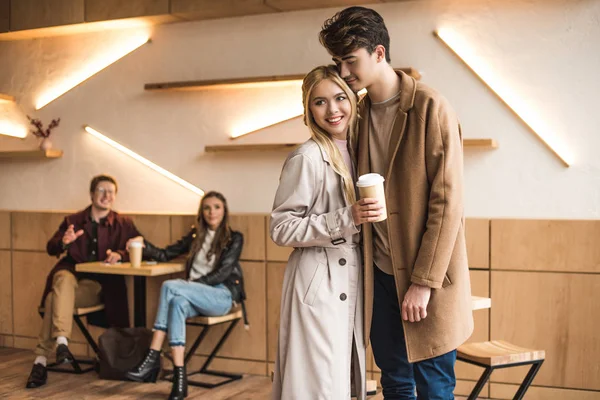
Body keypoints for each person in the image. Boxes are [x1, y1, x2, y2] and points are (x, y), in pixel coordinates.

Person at [319, 7, 474, 400]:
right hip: (379, 276)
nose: (344, 71)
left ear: (379, 53)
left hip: (428, 279)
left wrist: (423, 283)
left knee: (434, 389)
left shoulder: (430, 107)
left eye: (350, 60)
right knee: (395, 384)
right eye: (338, 62)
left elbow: (448, 202)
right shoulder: (357, 115)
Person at [270, 65, 382, 400]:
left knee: (341, 380)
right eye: (320, 102)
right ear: (309, 109)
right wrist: (346, 217)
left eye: (338, 98)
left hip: (352, 276)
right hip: (317, 278)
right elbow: (281, 227)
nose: (332, 110)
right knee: (317, 385)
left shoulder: (360, 150)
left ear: (352, 99)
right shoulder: (306, 157)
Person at [125, 191, 247, 400]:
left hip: (221, 296)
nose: (212, 212)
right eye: (207, 207)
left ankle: (153, 355)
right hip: (194, 296)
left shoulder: (234, 238)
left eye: (217, 207)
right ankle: (180, 383)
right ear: (201, 212)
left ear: (224, 210)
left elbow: (223, 273)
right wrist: (143, 244)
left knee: (171, 287)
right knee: (177, 303)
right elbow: (165, 254)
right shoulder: (195, 237)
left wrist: (189, 286)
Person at [26, 174, 142, 389]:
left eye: (111, 192)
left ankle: (43, 359)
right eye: (101, 190)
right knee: (61, 279)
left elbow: (140, 244)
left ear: (115, 196)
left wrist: (119, 254)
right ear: (91, 194)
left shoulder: (123, 223)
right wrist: (64, 242)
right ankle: (60, 344)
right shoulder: (73, 221)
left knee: (53, 298)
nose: (106, 196)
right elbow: (51, 248)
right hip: (70, 276)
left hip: (98, 286)